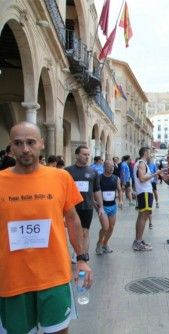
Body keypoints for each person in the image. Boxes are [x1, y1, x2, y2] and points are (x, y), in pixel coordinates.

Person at [0, 122, 92, 333]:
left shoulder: (60, 178)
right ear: (11, 147)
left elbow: (72, 219)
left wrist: (81, 259)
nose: (25, 149)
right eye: (18, 143)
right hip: (12, 279)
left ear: (41, 144)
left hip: (54, 276)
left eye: (31, 142)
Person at [65, 146, 105, 257]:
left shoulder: (93, 172)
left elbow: (97, 190)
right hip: (72, 207)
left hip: (87, 206)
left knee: (85, 231)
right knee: (74, 232)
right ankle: (77, 251)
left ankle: (83, 255)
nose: (87, 157)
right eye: (84, 154)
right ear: (77, 155)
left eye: (88, 154)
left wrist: (101, 207)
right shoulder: (67, 171)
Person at [132, 147, 163, 251]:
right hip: (145, 192)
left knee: (141, 216)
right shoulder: (142, 163)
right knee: (143, 217)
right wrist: (155, 174)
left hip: (143, 192)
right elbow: (142, 178)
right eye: (149, 153)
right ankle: (138, 242)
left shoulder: (140, 163)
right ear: (145, 153)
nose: (150, 155)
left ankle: (138, 240)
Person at [96, 160, 123, 255]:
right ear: (104, 167)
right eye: (109, 166)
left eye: (113, 166)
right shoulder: (99, 178)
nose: (112, 168)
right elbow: (94, 191)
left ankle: (105, 244)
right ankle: (99, 243)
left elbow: (119, 190)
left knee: (111, 227)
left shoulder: (116, 178)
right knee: (105, 227)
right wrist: (96, 204)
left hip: (112, 206)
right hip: (103, 207)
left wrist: (120, 200)